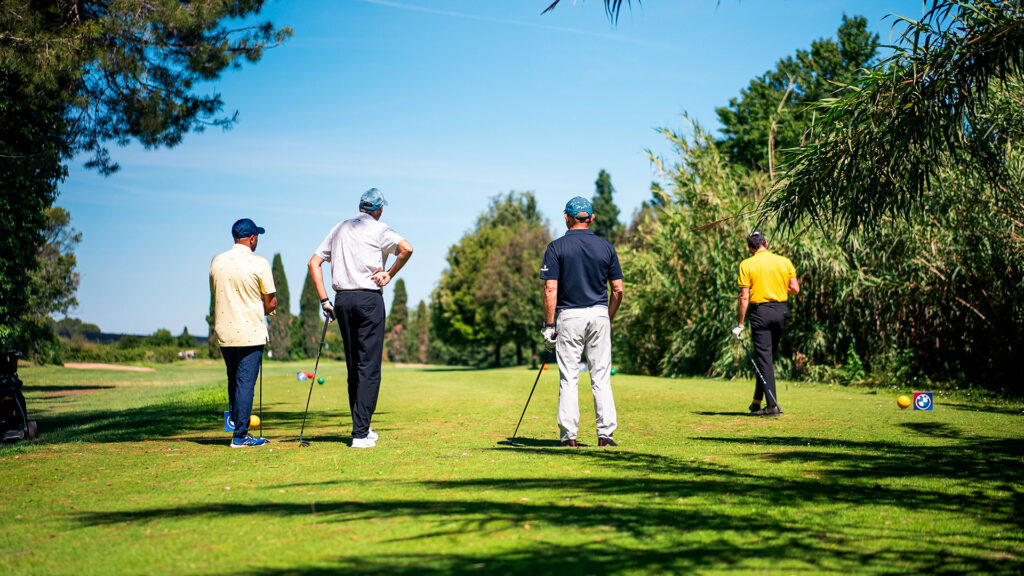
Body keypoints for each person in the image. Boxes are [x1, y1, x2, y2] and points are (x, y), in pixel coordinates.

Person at [308, 188, 413, 449]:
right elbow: (407, 248)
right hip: (368, 299)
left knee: (354, 365)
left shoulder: (340, 227)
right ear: (378, 209)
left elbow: (313, 263)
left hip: (342, 300)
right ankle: (360, 433)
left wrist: (324, 301)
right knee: (369, 366)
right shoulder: (380, 229)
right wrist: (389, 274)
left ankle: (363, 426)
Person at [540, 196, 625, 448]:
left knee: (569, 377)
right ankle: (606, 435)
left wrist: (549, 326)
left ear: (567, 217)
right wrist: (607, 317)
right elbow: (618, 290)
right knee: (601, 377)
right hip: (599, 313)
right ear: (592, 218)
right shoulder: (606, 247)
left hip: (570, 315)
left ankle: (569, 437)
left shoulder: (556, 247)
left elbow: (550, 290)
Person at [210, 218, 277, 447]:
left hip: (224, 331)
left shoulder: (217, 261)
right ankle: (239, 436)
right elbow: (271, 302)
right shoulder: (259, 263)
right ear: (252, 238)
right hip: (250, 330)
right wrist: (266, 307)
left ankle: (235, 425)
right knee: (246, 382)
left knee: (234, 379)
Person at [732, 231, 799, 417]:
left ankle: (772, 407)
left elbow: (744, 296)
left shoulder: (747, 264)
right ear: (766, 243)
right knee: (766, 359)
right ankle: (756, 401)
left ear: (750, 248)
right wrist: (776, 286)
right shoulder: (784, 262)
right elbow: (795, 288)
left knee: (764, 359)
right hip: (780, 312)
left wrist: (740, 323)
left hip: (760, 313)